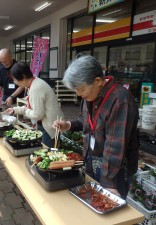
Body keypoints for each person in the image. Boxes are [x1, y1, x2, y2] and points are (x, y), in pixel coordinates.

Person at [52, 55, 139, 199]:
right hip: (94, 160)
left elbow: (115, 146)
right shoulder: (91, 95)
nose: (78, 94)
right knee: (91, 200)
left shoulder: (120, 100)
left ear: (98, 81)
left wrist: (109, 183)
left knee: (108, 209)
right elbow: (86, 119)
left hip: (115, 170)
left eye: (81, 89)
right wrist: (68, 125)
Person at [4, 62, 63, 148]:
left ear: (23, 77)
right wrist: (14, 110)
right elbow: (30, 106)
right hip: (48, 124)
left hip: (49, 127)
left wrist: (24, 111)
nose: (15, 82)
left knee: (48, 153)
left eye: (15, 79)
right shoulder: (34, 83)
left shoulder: (35, 88)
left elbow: (37, 114)